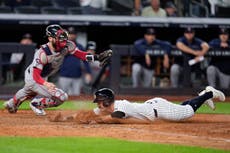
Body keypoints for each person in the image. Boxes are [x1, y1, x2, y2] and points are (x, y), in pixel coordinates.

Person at [3, 24, 112, 116]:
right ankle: (37, 103)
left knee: (28, 92)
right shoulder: (42, 52)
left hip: (42, 76)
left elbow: (82, 55)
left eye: (63, 38)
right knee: (62, 97)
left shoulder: (67, 45)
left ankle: (11, 104)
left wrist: (97, 57)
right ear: (50, 38)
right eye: (59, 38)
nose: (63, 41)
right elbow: (36, 75)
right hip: (34, 77)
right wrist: (45, 83)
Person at [50, 86, 225, 123]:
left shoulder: (120, 107)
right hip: (152, 107)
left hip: (159, 109)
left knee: (186, 112)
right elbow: (90, 113)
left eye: (100, 101)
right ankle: (202, 95)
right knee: (182, 108)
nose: (99, 104)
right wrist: (66, 118)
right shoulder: (107, 107)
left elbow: (117, 117)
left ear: (108, 101)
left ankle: (209, 93)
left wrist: (99, 122)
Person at [58, 27, 92, 96]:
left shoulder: (80, 46)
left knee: (76, 96)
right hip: (64, 75)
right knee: (61, 96)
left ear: (76, 35)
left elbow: (85, 59)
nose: (71, 35)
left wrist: (88, 72)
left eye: (73, 34)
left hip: (77, 76)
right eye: (70, 34)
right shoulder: (62, 45)